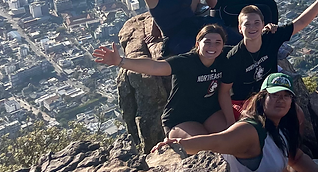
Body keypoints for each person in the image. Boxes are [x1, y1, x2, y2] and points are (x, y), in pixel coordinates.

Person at [152, 73, 318, 172]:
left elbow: (296, 156)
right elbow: (217, 141)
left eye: (286, 96)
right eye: (274, 95)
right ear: (262, 99)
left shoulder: (280, 129)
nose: (281, 100)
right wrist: (179, 144)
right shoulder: (250, 130)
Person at [93, 23, 233, 138]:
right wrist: (120, 61)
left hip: (209, 112)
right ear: (197, 44)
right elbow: (155, 66)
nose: (212, 47)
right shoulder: (186, 62)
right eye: (207, 42)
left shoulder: (224, 58)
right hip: (181, 118)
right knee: (204, 145)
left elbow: (248, 49)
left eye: (217, 43)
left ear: (223, 46)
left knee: (231, 139)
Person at [225, 0, 318, 118]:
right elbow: (224, 92)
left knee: (298, 115)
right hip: (243, 102)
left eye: (256, 23)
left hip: (267, 94)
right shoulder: (235, 56)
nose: (252, 27)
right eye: (247, 24)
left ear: (263, 24)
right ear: (240, 28)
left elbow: (301, 22)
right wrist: (230, 123)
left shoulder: (271, 38)